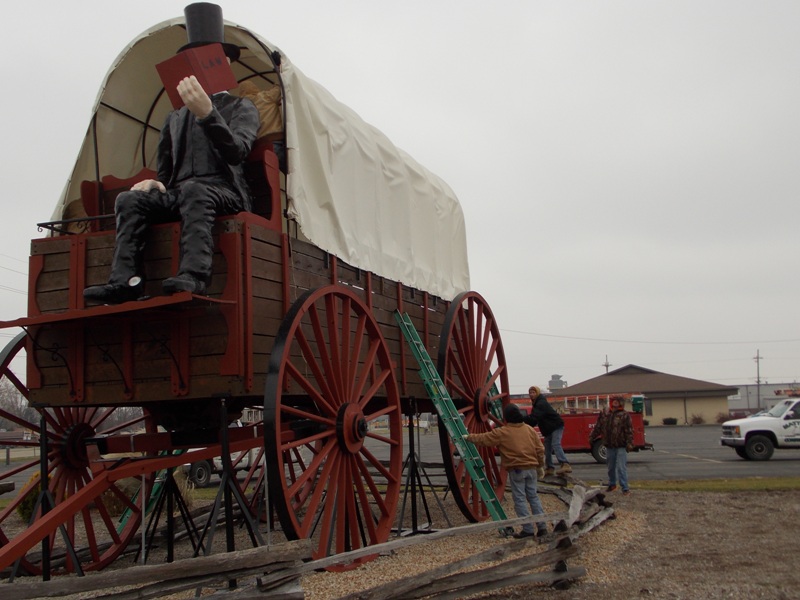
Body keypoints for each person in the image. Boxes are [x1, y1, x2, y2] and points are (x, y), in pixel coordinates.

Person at [84, 3, 260, 304]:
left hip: (225, 191)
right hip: (181, 193)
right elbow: (166, 169)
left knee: (195, 190)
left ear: (226, 62)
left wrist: (208, 114)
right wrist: (158, 183)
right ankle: (126, 282)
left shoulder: (241, 107)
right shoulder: (175, 117)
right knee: (129, 199)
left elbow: (237, 153)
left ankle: (195, 276)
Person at [464, 403, 548, 539]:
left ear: (506, 417)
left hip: (517, 469)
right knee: (533, 497)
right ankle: (542, 527)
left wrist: (468, 437)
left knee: (520, 499)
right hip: (532, 468)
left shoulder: (503, 432)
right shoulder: (529, 429)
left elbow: (484, 439)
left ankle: (527, 529)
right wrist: (540, 465)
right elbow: (540, 449)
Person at [523, 386, 571, 476]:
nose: (531, 395)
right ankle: (550, 468)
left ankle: (565, 464)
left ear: (537, 393)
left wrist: (521, 419)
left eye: (533, 392)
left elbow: (534, 418)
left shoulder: (541, 403)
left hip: (556, 426)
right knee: (547, 448)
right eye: (530, 393)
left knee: (555, 444)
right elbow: (534, 421)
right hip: (548, 429)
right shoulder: (536, 404)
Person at [590, 395, 634, 495]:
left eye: (617, 401)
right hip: (609, 445)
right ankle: (612, 484)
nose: (615, 402)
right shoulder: (605, 413)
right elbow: (598, 426)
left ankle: (625, 488)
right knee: (610, 467)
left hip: (621, 445)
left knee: (621, 468)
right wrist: (592, 436)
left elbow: (629, 430)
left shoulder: (625, 415)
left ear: (621, 403)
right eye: (614, 400)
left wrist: (630, 443)